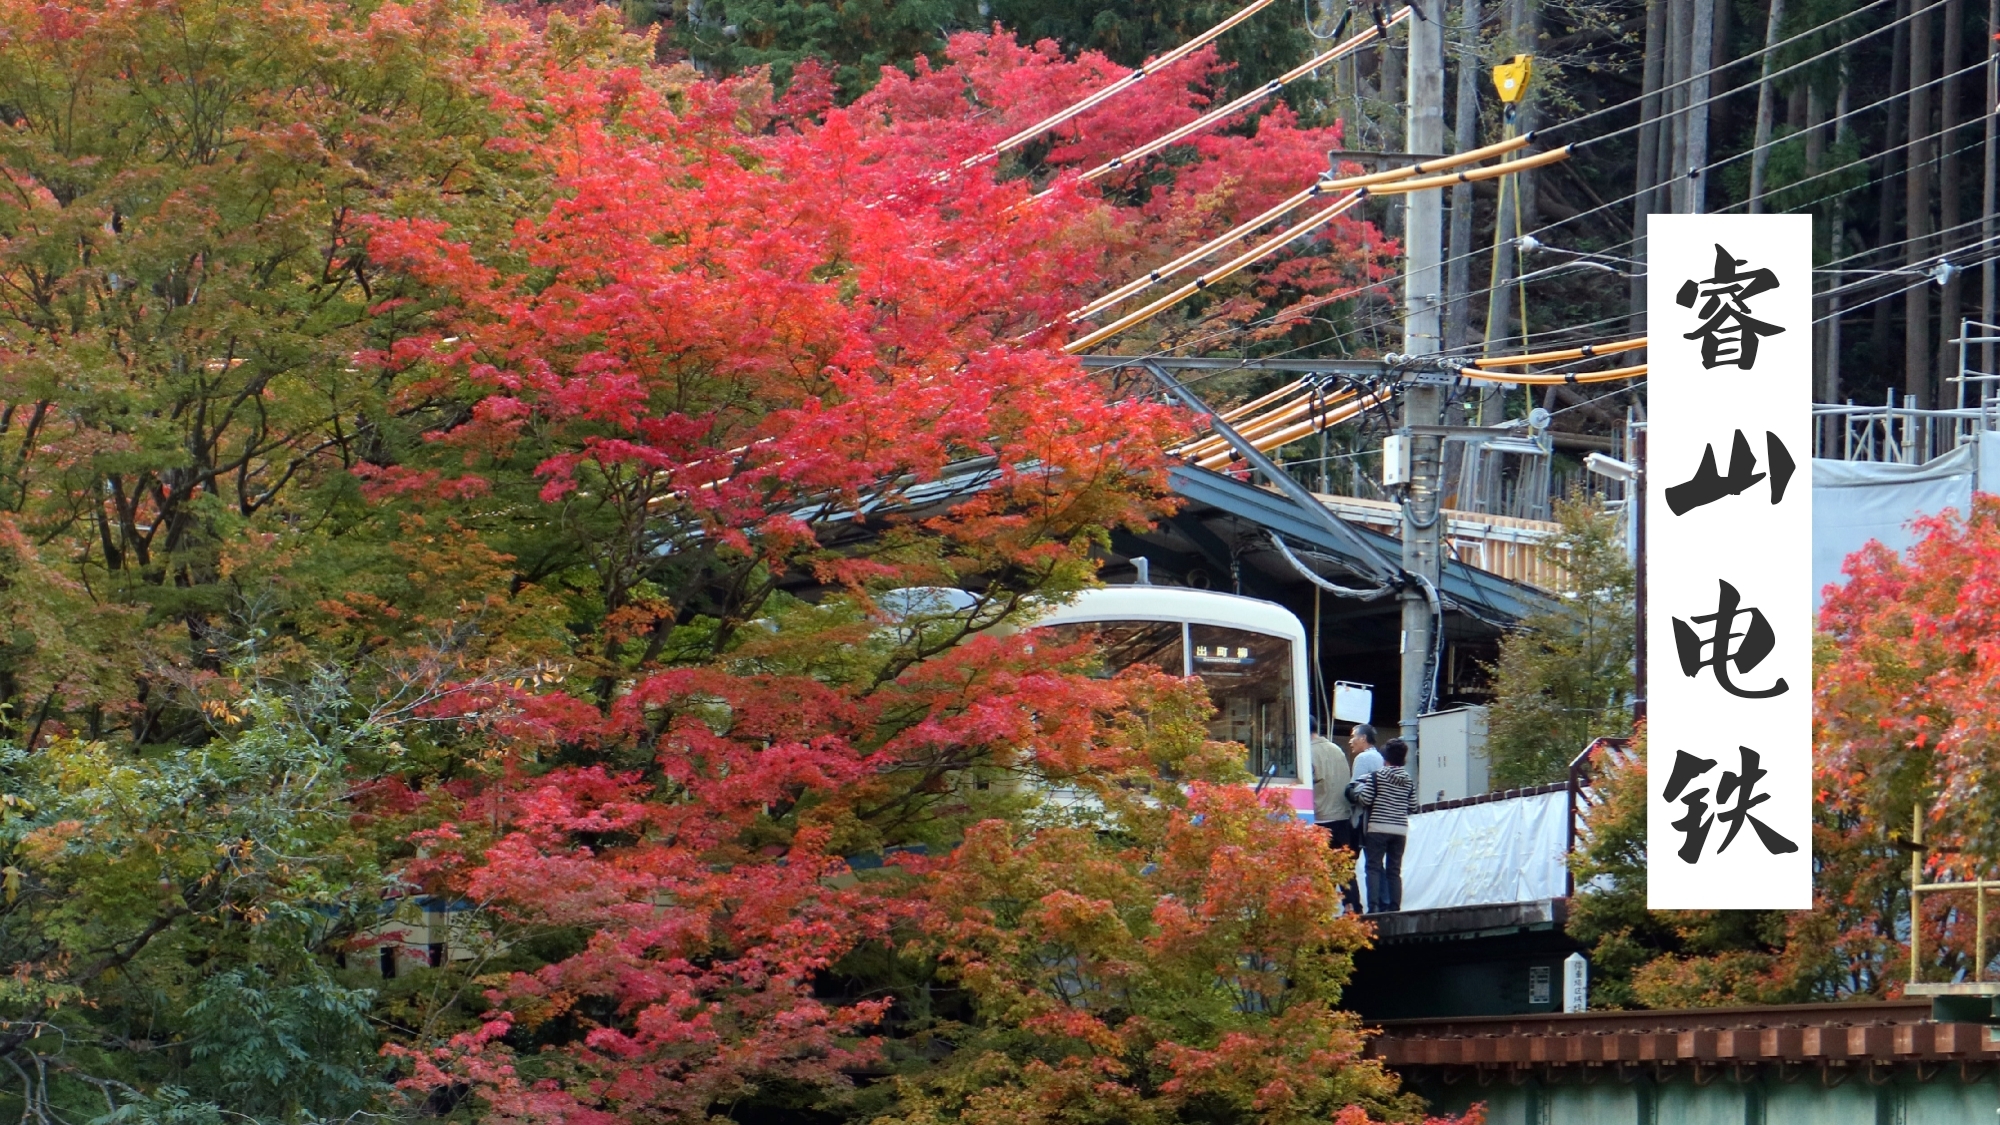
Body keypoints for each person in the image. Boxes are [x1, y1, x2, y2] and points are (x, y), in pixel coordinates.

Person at [1353, 737, 1418, 913]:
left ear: (1385, 758)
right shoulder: (1408, 780)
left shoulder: (1377, 776)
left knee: (1373, 867)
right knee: (1394, 870)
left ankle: (1373, 908)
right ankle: (1395, 908)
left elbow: (1365, 799)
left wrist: (1355, 793)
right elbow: (1413, 807)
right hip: (1399, 830)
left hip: (1378, 829)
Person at [1309, 722, 1358, 911]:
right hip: (1343, 816)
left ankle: (1324, 911)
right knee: (1344, 867)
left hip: (1321, 816)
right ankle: (1352, 907)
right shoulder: (1336, 749)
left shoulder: (1308, 753)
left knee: (1321, 869)